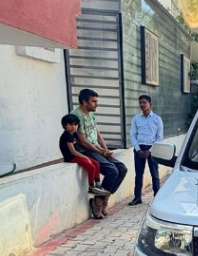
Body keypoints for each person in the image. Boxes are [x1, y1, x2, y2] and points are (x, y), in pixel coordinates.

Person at [74, 88, 127, 218]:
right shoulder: (76, 116)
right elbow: (84, 142)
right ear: (84, 102)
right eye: (94, 101)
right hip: (86, 151)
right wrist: (101, 151)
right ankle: (98, 202)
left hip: (97, 148)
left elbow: (97, 133)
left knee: (122, 168)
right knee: (112, 171)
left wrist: (106, 149)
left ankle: (103, 199)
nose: (97, 104)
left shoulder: (91, 114)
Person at [59, 114, 109, 199]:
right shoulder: (67, 136)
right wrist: (85, 157)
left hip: (78, 156)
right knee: (91, 166)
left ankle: (98, 185)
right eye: (71, 124)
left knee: (96, 163)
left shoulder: (74, 134)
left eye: (75, 124)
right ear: (65, 125)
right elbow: (73, 151)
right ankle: (91, 187)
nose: (74, 127)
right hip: (71, 158)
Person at [128, 95, 164, 206]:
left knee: (155, 174)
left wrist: (151, 150)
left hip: (153, 148)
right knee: (138, 174)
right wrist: (138, 150)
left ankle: (157, 198)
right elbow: (133, 135)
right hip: (139, 148)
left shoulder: (157, 119)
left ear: (150, 104)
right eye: (140, 103)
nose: (142, 105)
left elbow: (159, 137)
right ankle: (137, 198)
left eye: (144, 102)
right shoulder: (136, 119)